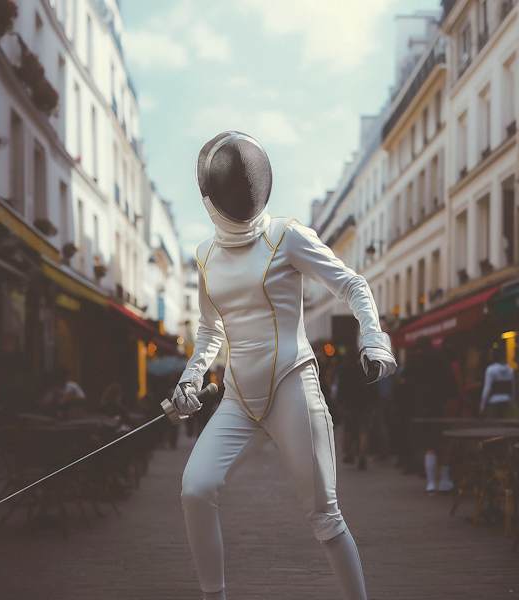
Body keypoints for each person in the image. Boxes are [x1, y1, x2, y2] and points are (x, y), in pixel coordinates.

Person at [171, 131, 396, 600]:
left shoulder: (286, 236)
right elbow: (212, 329)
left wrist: (373, 340)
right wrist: (191, 379)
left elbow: (353, 285)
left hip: (292, 386)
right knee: (195, 488)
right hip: (237, 397)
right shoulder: (205, 257)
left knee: (325, 516)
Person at [403, 336, 455, 492]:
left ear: (418, 348)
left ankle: (432, 483)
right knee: (442, 443)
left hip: (420, 409)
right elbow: (450, 384)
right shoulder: (441, 360)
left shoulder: (414, 363)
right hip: (438, 407)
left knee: (428, 445)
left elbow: (405, 386)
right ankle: (444, 480)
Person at [479, 344, 515, 418]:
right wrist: (511, 401)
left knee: (492, 425)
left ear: (493, 356)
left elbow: (487, 389)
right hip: (506, 400)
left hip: (493, 401)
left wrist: (482, 406)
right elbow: (512, 388)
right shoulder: (510, 370)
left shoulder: (491, 369)